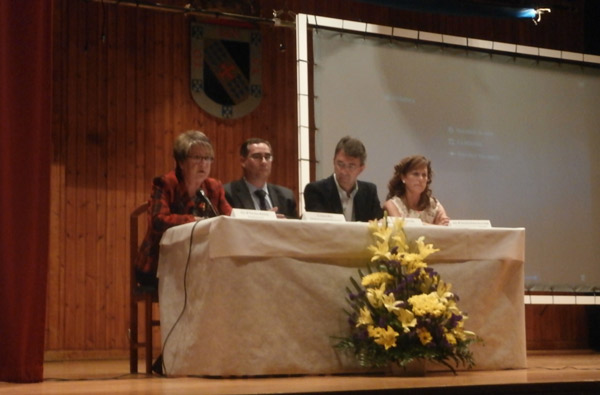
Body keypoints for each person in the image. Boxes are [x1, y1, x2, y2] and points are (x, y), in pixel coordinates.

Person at [135, 130, 232, 288]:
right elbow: (158, 221)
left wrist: (261, 217)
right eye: (197, 157)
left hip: (200, 262)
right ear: (181, 162)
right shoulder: (166, 183)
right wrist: (195, 221)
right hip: (158, 264)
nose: (203, 163)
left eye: (207, 158)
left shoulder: (213, 187)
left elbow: (229, 217)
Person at [303, 136, 382, 222]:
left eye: (351, 166)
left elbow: (377, 226)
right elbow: (319, 229)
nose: (344, 171)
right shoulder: (316, 191)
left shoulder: (369, 192)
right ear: (333, 161)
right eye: (340, 164)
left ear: (361, 169)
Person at [224, 138, 297, 218]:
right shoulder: (228, 193)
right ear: (243, 161)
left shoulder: (286, 196)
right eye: (257, 156)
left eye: (267, 157)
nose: (264, 162)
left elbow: (296, 228)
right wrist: (262, 220)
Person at [382, 155, 450, 225]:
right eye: (415, 174)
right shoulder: (392, 205)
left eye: (424, 175)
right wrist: (436, 227)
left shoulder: (434, 205)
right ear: (403, 177)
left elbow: (445, 227)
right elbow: (403, 229)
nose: (421, 179)